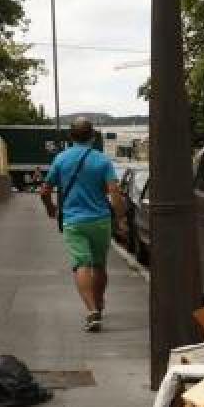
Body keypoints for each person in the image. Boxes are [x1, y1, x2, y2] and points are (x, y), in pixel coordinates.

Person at [40, 119, 127, 332]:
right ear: (93, 136)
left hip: (73, 221)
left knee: (81, 264)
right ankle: (99, 302)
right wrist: (121, 219)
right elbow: (114, 193)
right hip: (100, 221)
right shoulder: (103, 161)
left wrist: (51, 209)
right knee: (99, 266)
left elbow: (45, 191)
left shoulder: (61, 159)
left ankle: (91, 311)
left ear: (71, 137)